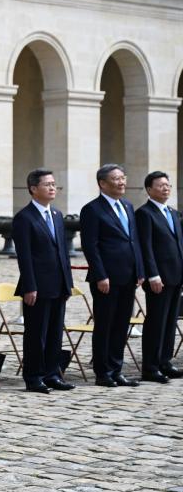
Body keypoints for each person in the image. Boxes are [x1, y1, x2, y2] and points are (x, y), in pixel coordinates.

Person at [80, 164, 144, 387]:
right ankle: (103, 372)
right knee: (105, 325)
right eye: (116, 178)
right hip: (106, 278)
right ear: (102, 183)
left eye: (123, 177)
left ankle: (116, 369)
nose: (122, 182)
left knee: (121, 324)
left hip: (128, 275)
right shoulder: (92, 209)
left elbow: (134, 240)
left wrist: (140, 270)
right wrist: (100, 275)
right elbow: (91, 246)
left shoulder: (127, 205)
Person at [12, 169, 74, 394]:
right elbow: (25, 256)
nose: (52, 188)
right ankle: (34, 377)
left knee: (55, 333)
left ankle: (52, 374)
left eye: (54, 184)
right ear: (33, 189)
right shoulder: (24, 217)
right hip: (37, 287)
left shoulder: (56, 214)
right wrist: (30, 286)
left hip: (58, 284)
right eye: (47, 184)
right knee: (36, 334)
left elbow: (63, 252)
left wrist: (67, 283)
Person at [136, 171, 183, 383]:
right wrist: (152, 274)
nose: (166, 188)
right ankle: (151, 366)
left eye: (168, 185)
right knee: (156, 321)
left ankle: (165, 361)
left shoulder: (172, 213)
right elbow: (145, 247)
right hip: (158, 278)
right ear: (149, 189)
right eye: (161, 185)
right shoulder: (144, 213)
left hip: (176, 275)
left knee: (170, 321)